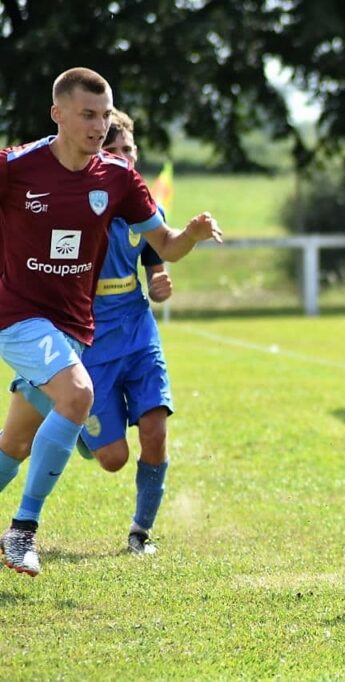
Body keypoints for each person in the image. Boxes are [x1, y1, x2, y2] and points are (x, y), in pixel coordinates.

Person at [0, 68, 222, 576]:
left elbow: (164, 245)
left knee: (14, 443)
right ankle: (22, 531)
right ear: (58, 115)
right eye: (87, 115)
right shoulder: (16, 167)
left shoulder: (118, 178)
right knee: (78, 396)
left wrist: (189, 234)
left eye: (104, 115)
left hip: (77, 329)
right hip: (19, 315)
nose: (99, 126)